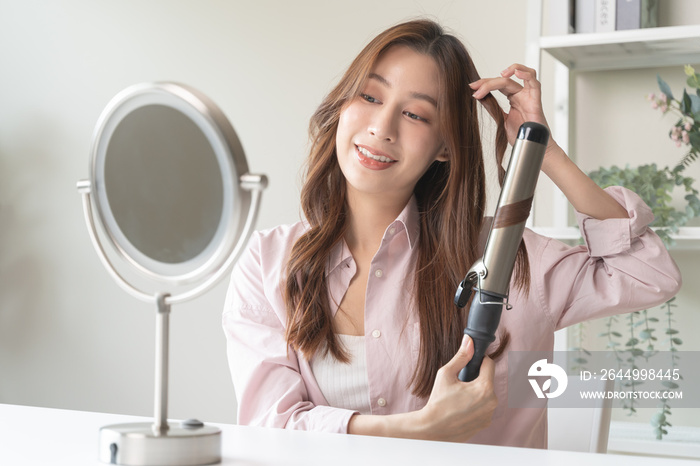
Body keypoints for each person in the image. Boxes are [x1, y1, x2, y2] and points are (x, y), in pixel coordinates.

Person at [222, 19, 681, 448]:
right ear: (342, 106)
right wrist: (421, 428)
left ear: (444, 146)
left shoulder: (508, 257)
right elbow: (270, 426)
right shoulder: (268, 264)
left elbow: (648, 272)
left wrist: (539, 145)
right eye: (370, 97)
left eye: (416, 115)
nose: (382, 128)